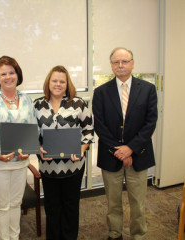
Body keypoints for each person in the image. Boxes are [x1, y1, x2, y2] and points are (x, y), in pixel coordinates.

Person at [92, 47, 158, 240]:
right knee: (113, 201)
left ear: (133, 63)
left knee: (138, 201)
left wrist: (130, 149)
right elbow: (100, 125)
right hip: (110, 154)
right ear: (111, 65)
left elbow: (150, 122)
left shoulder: (147, 90)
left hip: (139, 154)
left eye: (124, 61)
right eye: (116, 62)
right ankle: (115, 233)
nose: (120, 65)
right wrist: (118, 150)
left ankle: (138, 234)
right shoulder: (101, 92)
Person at [0, 56, 37, 240]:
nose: (8, 77)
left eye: (12, 72)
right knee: (2, 205)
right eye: (3, 74)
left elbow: (33, 127)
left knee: (16, 203)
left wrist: (30, 148)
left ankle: (15, 237)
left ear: (18, 75)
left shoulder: (27, 99)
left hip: (20, 162)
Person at [33, 65, 94, 240]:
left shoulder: (79, 103)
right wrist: (38, 149)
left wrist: (81, 150)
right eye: (55, 80)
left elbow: (88, 131)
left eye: (62, 81)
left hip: (73, 167)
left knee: (70, 207)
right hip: (48, 167)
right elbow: (32, 134)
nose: (58, 84)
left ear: (67, 84)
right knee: (52, 208)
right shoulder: (37, 105)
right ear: (48, 82)